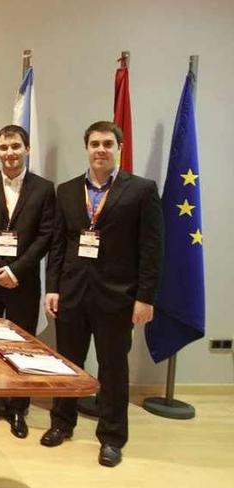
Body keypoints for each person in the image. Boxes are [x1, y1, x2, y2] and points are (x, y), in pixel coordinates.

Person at [43, 121, 163, 467]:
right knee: (66, 366)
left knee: (112, 369)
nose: (100, 149)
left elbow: (151, 248)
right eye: (94, 143)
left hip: (117, 297)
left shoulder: (141, 190)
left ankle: (111, 438)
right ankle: (61, 424)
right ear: (86, 148)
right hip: (72, 294)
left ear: (119, 148)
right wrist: (52, 287)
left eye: (108, 143)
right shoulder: (66, 191)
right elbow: (58, 245)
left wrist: (145, 297)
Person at [0, 125, 55, 438]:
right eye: (4, 147)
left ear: (27, 149)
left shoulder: (44, 189)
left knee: (22, 348)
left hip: (23, 282)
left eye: (16, 146)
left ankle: (18, 408)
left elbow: (46, 236)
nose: (10, 153)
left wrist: (16, 270)